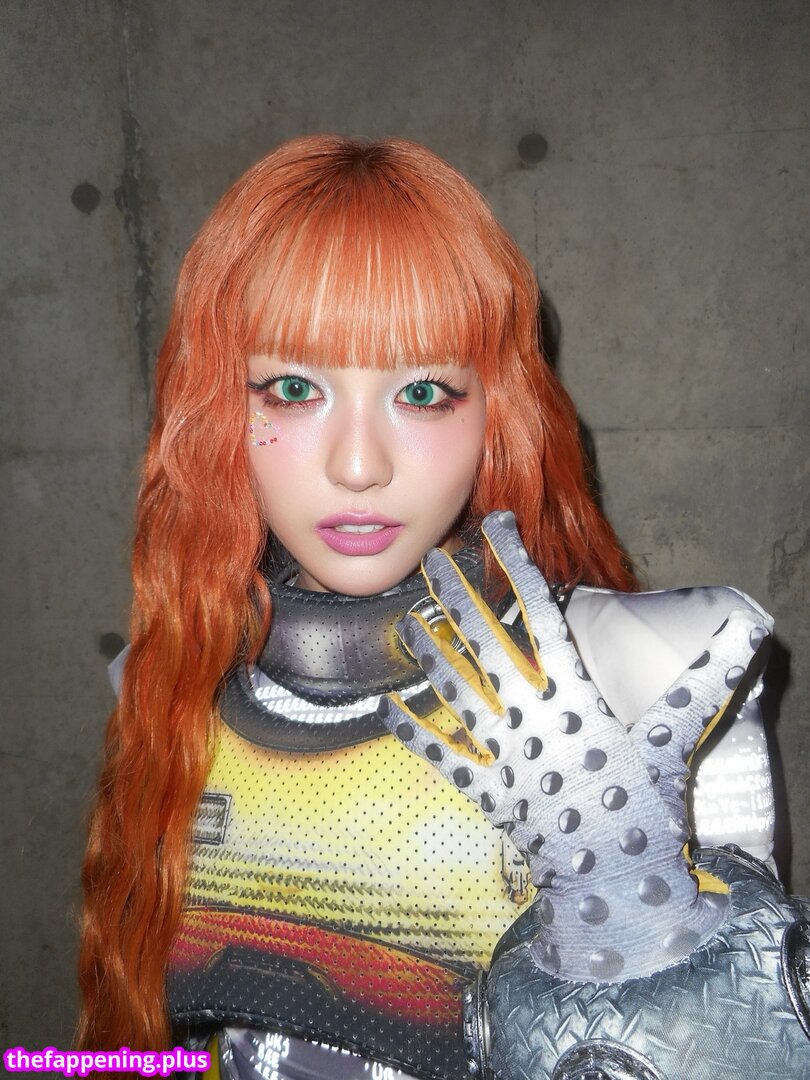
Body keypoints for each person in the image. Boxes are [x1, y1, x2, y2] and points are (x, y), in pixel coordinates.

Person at [78, 136, 806, 1080]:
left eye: (422, 392)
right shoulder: (163, 687)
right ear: (220, 409)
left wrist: (653, 934)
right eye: (294, 389)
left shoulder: (649, 670)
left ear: (497, 412)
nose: (358, 465)